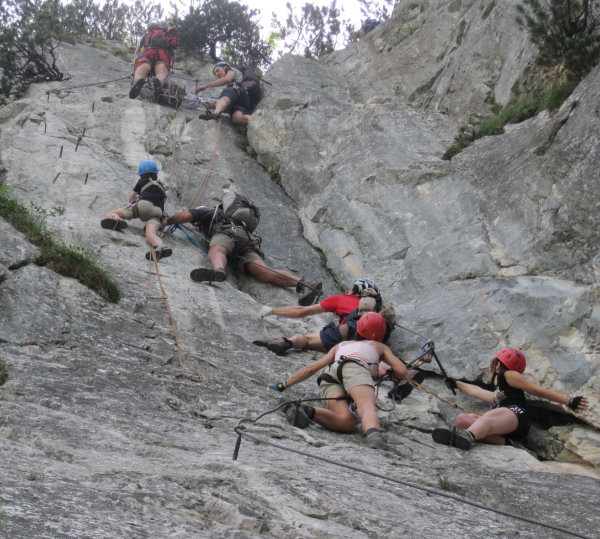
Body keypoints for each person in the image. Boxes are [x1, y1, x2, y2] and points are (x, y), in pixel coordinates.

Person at [269, 312, 408, 449]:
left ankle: (306, 411)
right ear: (381, 334)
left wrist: (282, 385)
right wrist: (394, 372)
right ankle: (375, 437)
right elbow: (402, 372)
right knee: (366, 406)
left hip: (330, 376)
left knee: (346, 422)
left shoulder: (341, 345)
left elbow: (311, 369)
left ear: (359, 327)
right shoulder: (379, 346)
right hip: (354, 369)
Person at [165, 193, 321, 305]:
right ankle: (305, 284)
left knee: (217, 250)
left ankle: (219, 270)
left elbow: (185, 216)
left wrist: (166, 220)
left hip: (228, 232)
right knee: (264, 272)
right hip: (248, 241)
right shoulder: (237, 219)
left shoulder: (209, 212)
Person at [431, 347, 588, 450]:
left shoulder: (508, 375)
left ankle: (468, 437)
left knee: (488, 417)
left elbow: (536, 390)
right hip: (504, 422)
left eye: (494, 362)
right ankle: (508, 444)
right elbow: (477, 391)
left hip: (516, 416)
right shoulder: (498, 387)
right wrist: (456, 383)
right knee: (462, 420)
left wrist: (568, 401)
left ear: (499, 364)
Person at [253, 278, 394, 355]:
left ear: (354, 290)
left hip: (346, 333)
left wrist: (272, 310)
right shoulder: (379, 310)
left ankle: (286, 342)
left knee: (307, 340)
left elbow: (302, 312)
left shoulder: (342, 299)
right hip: (371, 346)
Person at [101, 160, 172, 261]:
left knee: (112, 213)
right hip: (157, 213)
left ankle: (117, 220)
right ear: (156, 174)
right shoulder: (161, 186)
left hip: (143, 206)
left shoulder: (141, 182)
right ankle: (160, 246)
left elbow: (131, 200)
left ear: (141, 174)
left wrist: (136, 198)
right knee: (150, 234)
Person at [195, 62, 259, 125]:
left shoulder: (230, 70)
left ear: (225, 67)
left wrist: (205, 86)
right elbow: (227, 107)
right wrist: (212, 106)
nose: (216, 74)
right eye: (215, 73)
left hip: (239, 90)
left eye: (217, 70)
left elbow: (227, 79)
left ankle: (215, 113)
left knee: (224, 97)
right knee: (237, 118)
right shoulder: (236, 87)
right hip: (245, 101)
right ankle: (257, 120)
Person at [129, 22, 180, 101]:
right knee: (161, 74)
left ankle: (138, 81)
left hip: (147, 53)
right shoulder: (166, 37)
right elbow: (172, 53)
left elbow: (136, 53)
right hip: (162, 55)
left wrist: (135, 68)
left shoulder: (144, 37)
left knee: (142, 70)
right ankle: (159, 83)